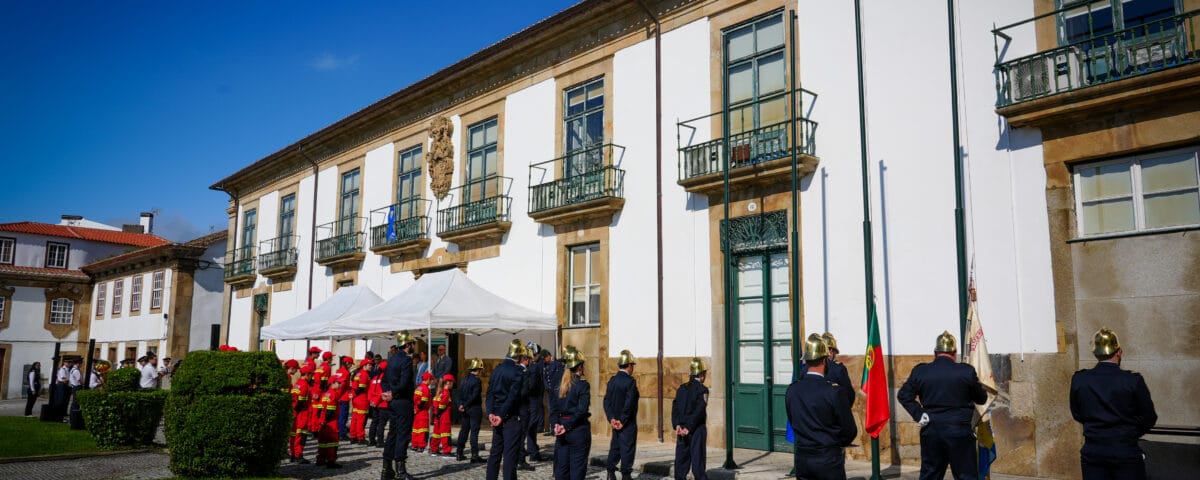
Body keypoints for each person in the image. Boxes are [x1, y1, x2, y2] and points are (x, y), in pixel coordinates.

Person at [897, 331, 988, 480]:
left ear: (935, 353)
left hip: (931, 430)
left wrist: (919, 414)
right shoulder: (966, 371)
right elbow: (982, 398)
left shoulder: (921, 371)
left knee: (931, 475)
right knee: (966, 476)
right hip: (959, 430)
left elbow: (903, 395)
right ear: (954, 353)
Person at [1070, 327, 1157, 480]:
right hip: (1125, 449)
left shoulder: (1080, 379)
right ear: (1119, 352)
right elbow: (1149, 417)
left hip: (1093, 450)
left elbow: (1077, 413)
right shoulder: (1132, 381)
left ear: (1095, 354)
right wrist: (1129, 433)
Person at [786, 334, 858, 480]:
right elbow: (850, 430)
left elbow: (794, 420)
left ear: (806, 360)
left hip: (803, 458)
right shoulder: (833, 392)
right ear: (825, 360)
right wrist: (835, 443)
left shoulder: (792, 390)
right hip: (828, 458)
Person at [486, 340, 529, 480]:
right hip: (509, 417)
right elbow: (512, 397)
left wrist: (491, 412)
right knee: (510, 456)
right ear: (519, 356)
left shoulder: (497, 369)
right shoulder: (517, 371)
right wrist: (501, 415)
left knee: (495, 454)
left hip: (497, 415)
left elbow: (490, 393)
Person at [549, 346, 591, 480]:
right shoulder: (582, 385)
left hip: (561, 429)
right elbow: (581, 410)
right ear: (579, 367)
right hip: (577, 430)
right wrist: (565, 426)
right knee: (577, 471)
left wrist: (556, 424)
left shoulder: (560, 385)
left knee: (562, 470)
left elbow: (554, 409)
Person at [382, 331, 418, 480]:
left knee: (392, 434)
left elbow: (384, 380)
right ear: (408, 345)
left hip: (392, 402)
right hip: (403, 401)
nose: (413, 346)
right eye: (412, 344)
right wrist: (394, 393)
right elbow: (404, 384)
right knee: (403, 435)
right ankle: (400, 470)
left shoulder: (392, 359)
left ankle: (386, 468)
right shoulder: (406, 360)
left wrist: (387, 393)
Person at [604, 350, 639, 480]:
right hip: (627, 423)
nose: (633, 368)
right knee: (627, 448)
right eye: (632, 365)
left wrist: (612, 418)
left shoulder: (612, 380)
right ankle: (626, 475)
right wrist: (622, 420)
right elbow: (629, 403)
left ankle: (610, 472)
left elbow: (606, 401)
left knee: (615, 447)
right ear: (629, 365)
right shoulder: (630, 382)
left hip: (615, 422)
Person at [672, 357, 709, 480]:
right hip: (696, 429)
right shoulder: (702, 390)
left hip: (681, 430)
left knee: (681, 463)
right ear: (702, 374)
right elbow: (699, 411)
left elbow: (675, 408)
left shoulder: (681, 389)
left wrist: (677, 425)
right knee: (698, 462)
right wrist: (689, 427)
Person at [517, 342, 544, 470]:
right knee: (529, 428)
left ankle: (533, 451)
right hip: (533, 400)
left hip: (532, 400)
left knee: (530, 428)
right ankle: (527, 454)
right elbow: (531, 385)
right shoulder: (533, 368)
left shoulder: (530, 367)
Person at [456, 357, 486, 463]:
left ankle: (459, 453)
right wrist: (464, 404)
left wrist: (460, 405)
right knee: (474, 432)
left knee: (464, 431)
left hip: (465, 409)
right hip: (474, 409)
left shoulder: (464, 379)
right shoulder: (476, 381)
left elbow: (459, 394)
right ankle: (474, 455)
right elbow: (474, 396)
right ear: (478, 369)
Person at [316, 375, 343, 469]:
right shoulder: (333, 394)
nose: (340, 384)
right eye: (338, 383)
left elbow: (320, 409)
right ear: (332, 383)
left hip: (323, 422)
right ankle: (331, 461)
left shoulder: (325, 394)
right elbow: (330, 411)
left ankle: (321, 459)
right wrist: (326, 420)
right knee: (332, 442)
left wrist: (321, 421)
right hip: (331, 422)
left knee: (323, 441)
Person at [821, 332, 855, 408]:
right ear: (831, 351)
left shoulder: (806, 368)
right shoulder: (838, 369)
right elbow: (850, 395)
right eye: (834, 352)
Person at [290, 364, 314, 464]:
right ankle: (298, 455)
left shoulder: (297, 383)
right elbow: (300, 403)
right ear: (307, 374)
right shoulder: (304, 385)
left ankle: (293, 455)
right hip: (302, 414)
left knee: (293, 435)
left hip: (295, 413)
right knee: (301, 435)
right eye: (311, 375)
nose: (311, 377)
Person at [430, 374, 455, 456]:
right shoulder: (446, 393)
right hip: (444, 416)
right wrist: (439, 414)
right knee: (446, 434)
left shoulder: (439, 392)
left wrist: (436, 415)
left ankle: (434, 449)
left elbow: (435, 405)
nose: (452, 385)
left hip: (437, 416)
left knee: (436, 434)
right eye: (452, 383)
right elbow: (442, 406)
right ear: (448, 383)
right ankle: (447, 451)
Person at [350, 359, 373, 444]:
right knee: (361, 419)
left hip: (356, 399)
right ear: (364, 366)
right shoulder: (364, 374)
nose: (371, 366)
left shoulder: (358, 373)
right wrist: (355, 394)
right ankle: (360, 437)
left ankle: (353, 436)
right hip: (362, 399)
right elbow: (361, 388)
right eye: (369, 365)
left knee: (355, 418)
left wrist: (353, 395)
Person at [542, 349, 564, 436]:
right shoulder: (545, 365)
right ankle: (553, 429)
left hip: (556, 390)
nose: (544, 360)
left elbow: (560, 378)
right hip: (549, 391)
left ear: (549, 356)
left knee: (557, 409)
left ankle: (558, 427)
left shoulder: (557, 364)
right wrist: (547, 386)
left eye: (545, 358)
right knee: (551, 410)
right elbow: (545, 378)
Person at [369, 355, 388, 448]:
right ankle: (380, 441)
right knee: (381, 423)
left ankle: (371, 440)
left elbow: (370, 391)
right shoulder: (385, 378)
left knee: (374, 422)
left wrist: (372, 401)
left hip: (374, 403)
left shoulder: (374, 378)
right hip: (382, 403)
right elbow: (382, 392)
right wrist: (377, 400)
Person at [412, 371, 434, 452]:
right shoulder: (426, 389)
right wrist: (421, 408)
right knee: (423, 430)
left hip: (417, 411)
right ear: (427, 379)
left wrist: (416, 409)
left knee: (416, 429)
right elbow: (423, 401)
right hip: (423, 411)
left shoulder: (418, 387)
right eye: (431, 380)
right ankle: (421, 446)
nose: (431, 382)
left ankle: (415, 445)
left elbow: (415, 399)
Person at [337, 355, 354, 441]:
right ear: (347, 363)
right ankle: (342, 433)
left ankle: (340, 430)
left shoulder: (338, 371)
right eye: (350, 364)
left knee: (339, 415)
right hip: (343, 397)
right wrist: (339, 396)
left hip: (339, 396)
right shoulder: (346, 373)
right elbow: (342, 385)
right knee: (343, 416)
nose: (351, 366)